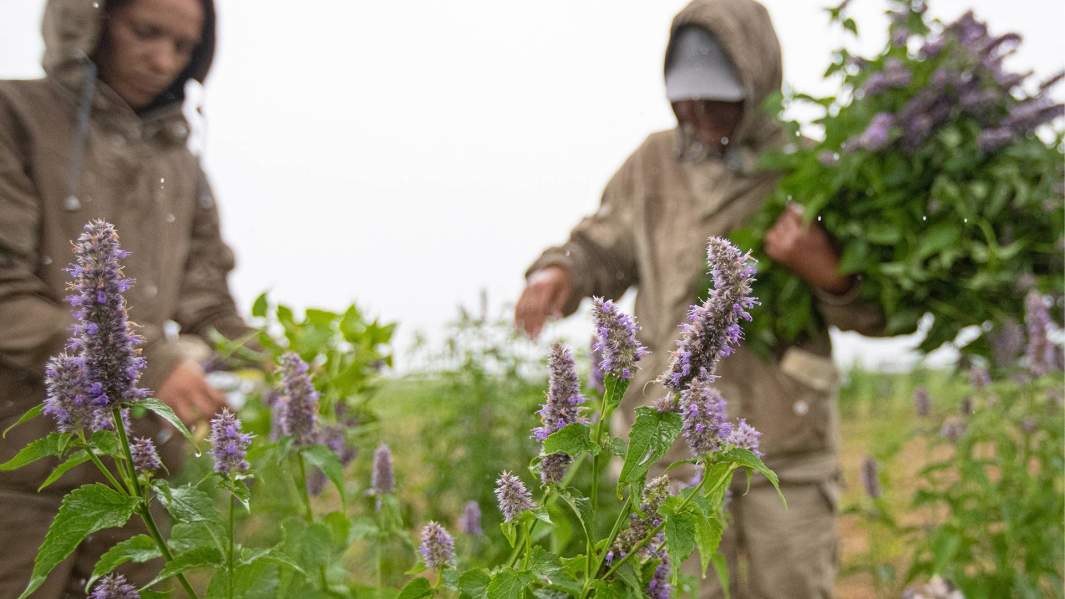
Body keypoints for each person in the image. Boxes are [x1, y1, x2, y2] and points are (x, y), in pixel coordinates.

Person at [515, 0, 882, 597]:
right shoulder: (652, 164)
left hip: (782, 435)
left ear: (756, 82)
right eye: (687, 95)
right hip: (670, 438)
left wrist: (828, 269)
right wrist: (559, 273)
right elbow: (600, 245)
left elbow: (873, 311)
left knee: (791, 585)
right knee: (681, 588)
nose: (699, 111)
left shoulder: (809, 168)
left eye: (717, 96)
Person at [0, 0, 247, 595]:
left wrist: (277, 365)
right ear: (95, 21)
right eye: (146, 31)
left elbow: (207, 300)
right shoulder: (15, 115)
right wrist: (156, 364)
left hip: (142, 468)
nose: (162, 59)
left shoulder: (179, 160)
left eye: (183, 46)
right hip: (20, 462)